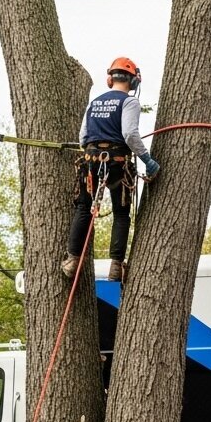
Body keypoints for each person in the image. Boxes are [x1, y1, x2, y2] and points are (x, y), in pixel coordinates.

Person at [62, 57, 160, 283]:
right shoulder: (129, 102)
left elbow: (82, 137)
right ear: (134, 81)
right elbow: (129, 134)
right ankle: (116, 267)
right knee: (121, 213)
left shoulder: (94, 103)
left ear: (109, 79)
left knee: (85, 209)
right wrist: (147, 159)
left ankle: (72, 261)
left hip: (90, 161)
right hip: (117, 162)